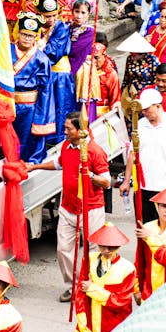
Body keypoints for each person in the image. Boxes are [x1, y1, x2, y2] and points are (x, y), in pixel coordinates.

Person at [26, 112, 110, 303]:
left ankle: (92, 286)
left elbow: (106, 182)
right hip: (68, 207)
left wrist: (89, 176)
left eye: (68, 129)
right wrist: (35, 167)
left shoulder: (95, 151)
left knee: (94, 251)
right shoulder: (66, 145)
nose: (64, 131)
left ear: (80, 130)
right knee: (63, 249)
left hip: (91, 209)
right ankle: (74, 286)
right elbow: (59, 163)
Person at [118, 89, 166, 224]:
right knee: (144, 228)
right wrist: (127, 180)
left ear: (158, 106)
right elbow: (132, 154)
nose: (143, 113)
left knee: (164, 232)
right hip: (142, 188)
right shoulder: (139, 125)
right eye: (142, 110)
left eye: (146, 109)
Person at [70, 223, 136, 332]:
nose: (106, 250)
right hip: (89, 328)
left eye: (111, 247)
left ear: (118, 246)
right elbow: (80, 295)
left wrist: (92, 289)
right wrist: (83, 327)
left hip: (113, 329)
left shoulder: (127, 269)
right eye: (102, 246)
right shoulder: (89, 260)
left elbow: (120, 302)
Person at [11, 12, 55, 163]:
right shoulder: (7, 52)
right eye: (24, 34)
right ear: (18, 32)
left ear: (35, 37)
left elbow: (46, 91)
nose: (26, 39)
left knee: (26, 141)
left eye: (31, 36)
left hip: (30, 107)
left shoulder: (42, 59)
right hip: (8, 103)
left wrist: (42, 117)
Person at [36, 0, 74, 144]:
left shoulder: (62, 28)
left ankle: (61, 140)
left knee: (60, 108)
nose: (51, 19)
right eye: (47, 16)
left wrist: (40, 47)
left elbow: (54, 52)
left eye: (53, 15)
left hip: (60, 75)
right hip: (46, 74)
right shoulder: (37, 27)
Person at [75, 42, 121, 117]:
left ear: (104, 56)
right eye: (91, 58)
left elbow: (115, 99)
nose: (93, 61)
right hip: (83, 113)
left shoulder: (111, 74)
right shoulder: (82, 72)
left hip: (103, 116)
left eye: (96, 58)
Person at [119, 32, 159, 97]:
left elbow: (156, 80)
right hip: (131, 93)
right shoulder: (129, 59)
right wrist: (121, 94)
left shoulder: (152, 60)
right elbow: (126, 78)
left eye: (134, 54)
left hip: (146, 94)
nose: (132, 56)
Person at [68, 0, 96, 81]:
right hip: (67, 64)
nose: (79, 16)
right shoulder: (67, 26)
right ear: (72, 11)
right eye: (77, 11)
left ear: (88, 14)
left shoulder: (89, 31)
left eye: (83, 13)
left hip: (81, 67)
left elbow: (72, 49)